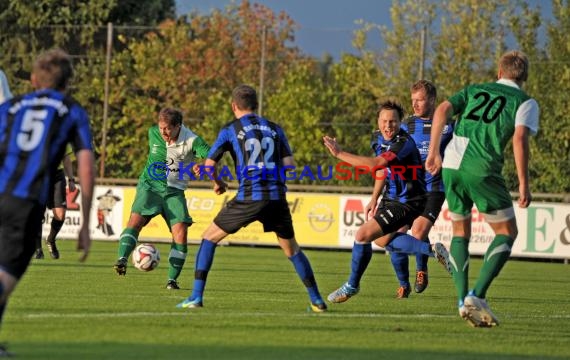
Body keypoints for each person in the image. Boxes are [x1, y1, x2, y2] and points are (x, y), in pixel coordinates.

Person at [176, 84, 328, 313]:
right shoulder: (275, 128)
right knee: (292, 250)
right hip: (276, 197)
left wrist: (218, 183)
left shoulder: (230, 129)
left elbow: (208, 166)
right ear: (255, 105)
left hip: (249, 196)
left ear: (233, 105)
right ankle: (317, 301)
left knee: (208, 238)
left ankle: (196, 297)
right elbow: (289, 166)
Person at [425, 50, 539, 327]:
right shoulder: (525, 101)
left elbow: (441, 109)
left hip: (451, 162)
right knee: (506, 232)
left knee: (460, 231)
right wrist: (524, 182)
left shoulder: (476, 90)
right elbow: (520, 138)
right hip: (482, 167)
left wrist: (433, 153)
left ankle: (463, 299)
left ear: (499, 73)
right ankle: (477, 296)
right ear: (524, 77)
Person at [0, 49, 95, 357]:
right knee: (5, 277)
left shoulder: (12, 106)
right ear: (68, 83)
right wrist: (85, 224)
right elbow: (85, 165)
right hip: (24, 205)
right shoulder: (71, 110)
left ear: (32, 80)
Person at [323, 100, 451, 304]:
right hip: (392, 198)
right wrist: (374, 198)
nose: (388, 126)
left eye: (393, 122)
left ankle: (352, 285)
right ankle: (432, 250)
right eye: (384, 121)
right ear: (378, 121)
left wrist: (339, 154)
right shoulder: (377, 139)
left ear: (400, 122)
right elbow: (382, 171)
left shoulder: (403, 142)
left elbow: (376, 164)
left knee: (362, 234)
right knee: (381, 240)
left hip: (408, 200)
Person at [366, 80, 453, 298]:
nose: (415, 104)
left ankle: (421, 269)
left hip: (434, 187)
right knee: (390, 236)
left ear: (432, 100)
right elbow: (386, 163)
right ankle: (403, 283)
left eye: (420, 100)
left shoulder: (449, 126)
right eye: (412, 100)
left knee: (419, 230)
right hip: (407, 189)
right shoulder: (405, 126)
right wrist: (375, 196)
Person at [113, 107, 211, 290]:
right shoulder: (153, 133)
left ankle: (172, 281)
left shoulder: (192, 140)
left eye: (167, 129)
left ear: (178, 126)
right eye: (161, 128)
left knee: (181, 233)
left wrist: (204, 166)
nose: (163, 132)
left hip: (174, 192)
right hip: (149, 187)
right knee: (135, 221)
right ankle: (122, 259)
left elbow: (212, 154)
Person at [34, 147, 76, 259]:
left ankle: (51, 240)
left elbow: (66, 158)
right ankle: (38, 249)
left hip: (57, 176)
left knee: (60, 215)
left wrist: (71, 179)